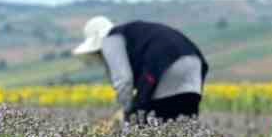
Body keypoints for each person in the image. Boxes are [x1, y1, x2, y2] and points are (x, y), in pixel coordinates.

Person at [72, 16, 209, 122]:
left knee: (144, 125)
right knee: (184, 132)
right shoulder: (134, 33)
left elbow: (123, 80)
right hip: (194, 67)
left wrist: (126, 112)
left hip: (165, 67)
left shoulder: (110, 38)